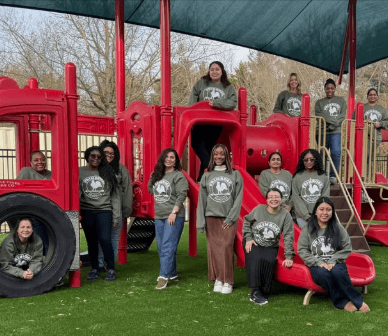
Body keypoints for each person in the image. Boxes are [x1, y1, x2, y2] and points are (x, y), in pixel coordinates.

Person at [298, 197, 370, 313]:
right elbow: (302, 250)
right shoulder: (307, 229)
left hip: (336, 262)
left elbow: (347, 248)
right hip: (316, 264)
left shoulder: (338, 228)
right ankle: (341, 302)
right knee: (324, 275)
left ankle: (357, 300)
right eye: (321, 209)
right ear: (315, 211)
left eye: (328, 210)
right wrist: (319, 262)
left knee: (337, 272)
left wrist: (333, 260)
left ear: (332, 212)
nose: (325, 213)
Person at [197, 144, 243, 294]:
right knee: (213, 250)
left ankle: (228, 280)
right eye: (216, 154)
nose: (218, 157)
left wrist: (231, 218)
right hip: (211, 217)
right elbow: (201, 201)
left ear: (226, 156)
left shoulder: (235, 175)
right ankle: (218, 278)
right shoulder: (207, 175)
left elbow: (238, 199)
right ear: (212, 156)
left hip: (227, 218)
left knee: (226, 248)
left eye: (222, 154)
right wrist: (201, 223)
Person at [243, 188, 294, 305]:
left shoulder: (285, 215)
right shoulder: (259, 209)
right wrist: (248, 238)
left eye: (276, 197)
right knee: (256, 258)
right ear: (266, 200)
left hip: (271, 245)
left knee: (269, 260)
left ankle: (264, 288)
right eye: (270, 197)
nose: (273, 199)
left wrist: (289, 256)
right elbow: (246, 220)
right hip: (254, 241)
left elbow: (288, 236)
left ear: (281, 200)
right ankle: (255, 291)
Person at [189, 61, 237, 182]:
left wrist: (217, 103)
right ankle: (203, 177)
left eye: (217, 69)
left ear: (222, 71)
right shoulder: (201, 83)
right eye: (212, 69)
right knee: (199, 147)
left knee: (209, 152)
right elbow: (193, 99)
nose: (214, 72)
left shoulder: (227, 87)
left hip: (215, 125)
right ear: (209, 71)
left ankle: (201, 179)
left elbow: (232, 103)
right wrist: (191, 112)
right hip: (200, 123)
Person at [148, 148, 188, 290]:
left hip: (174, 216)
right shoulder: (156, 175)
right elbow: (150, 188)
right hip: (159, 215)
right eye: (167, 156)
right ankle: (172, 273)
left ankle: (163, 276)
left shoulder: (178, 176)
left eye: (172, 157)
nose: (169, 159)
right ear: (162, 158)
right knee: (161, 247)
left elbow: (182, 194)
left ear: (176, 160)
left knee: (167, 246)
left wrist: (174, 212)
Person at [79, 146, 120, 282]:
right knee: (91, 242)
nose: (95, 159)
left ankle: (111, 269)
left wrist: (115, 216)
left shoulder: (107, 172)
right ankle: (95, 268)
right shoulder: (80, 172)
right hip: (87, 211)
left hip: (104, 210)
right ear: (87, 157)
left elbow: (115, 196)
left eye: (98, 156)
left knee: (105, 239)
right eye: (93, 156)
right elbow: (76, 193)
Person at [97, 140, 133, 272]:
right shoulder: (96, 169)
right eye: (106, 152)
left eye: (112, 153)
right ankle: (100, 263)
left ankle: (109, 264)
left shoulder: (121, 169)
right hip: (100, 210)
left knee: (113, 239)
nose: (110, 155)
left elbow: (128, 190)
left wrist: (126, 211)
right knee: (100, 238)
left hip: (118, 210)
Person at [17, 150, 50, 254]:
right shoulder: (26, 171)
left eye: (42, 160)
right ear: (31, 162)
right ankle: (46, 256)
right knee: (41, 237)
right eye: (36, 160)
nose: (40, 162)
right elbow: (18, 189)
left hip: (49, 210)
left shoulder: (50, 174)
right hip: (34, 212)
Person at [315, 78, 347, 185]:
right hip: (322, 131)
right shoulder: (319, 103)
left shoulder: (341, 101)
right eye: (327, 88)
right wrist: (333, 122)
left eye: (332, 88)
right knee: (321, 153)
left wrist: (333, 123)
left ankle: (333, 176)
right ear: (324, 89)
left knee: (336, 152)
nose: (330, 90)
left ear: (335, 88)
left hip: (335, 132)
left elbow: (342, 115)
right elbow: (320, 116)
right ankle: (322, 175)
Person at [292, 149, 330, 229]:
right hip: (302, 217)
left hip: (319, 216)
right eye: (306, 160)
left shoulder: (323, 177)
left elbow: (325, 197)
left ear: (316, 160)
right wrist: (307, 216)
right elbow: (296, 198)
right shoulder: (297, 177)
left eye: (312, 159)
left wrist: (319, 214)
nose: (309, 162)